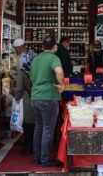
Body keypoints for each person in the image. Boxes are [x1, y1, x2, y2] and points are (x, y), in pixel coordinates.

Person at [30, 37, 64, 166]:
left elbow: (32, 77)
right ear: (54, 47)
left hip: (35, 97)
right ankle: (45, 159)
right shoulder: (53, 58)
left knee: (38, 128)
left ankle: (36, 156)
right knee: (48, 129)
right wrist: (61, 85)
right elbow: (59, 71)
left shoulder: (36, 59)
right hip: (48, 97)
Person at [10, 38, 36, 155]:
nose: (16, 50)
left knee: (27, 122)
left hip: (27, 94)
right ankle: (32, 145)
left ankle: (28, 147)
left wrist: (16, 95)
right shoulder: (34, 54)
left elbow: (21, 81)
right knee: (34, 122)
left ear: (20, 47)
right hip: (36, 91)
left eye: (16, 48)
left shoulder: (22, 59)